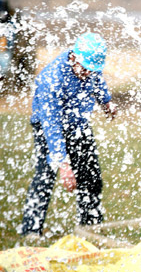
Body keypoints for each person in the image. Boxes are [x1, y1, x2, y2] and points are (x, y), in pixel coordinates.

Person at [20, 32, 117, 242]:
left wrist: (106, 101)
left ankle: (91, 226)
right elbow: (52, 127)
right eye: (85, 69)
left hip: (77, 123)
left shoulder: (89, 69)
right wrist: (64, 164)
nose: (87, 74)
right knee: (46, 175)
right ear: (73, 57)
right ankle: (31, 230)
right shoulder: (51, 81)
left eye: (92, 70)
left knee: (91, 174)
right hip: (48, 126)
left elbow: (97, 80)